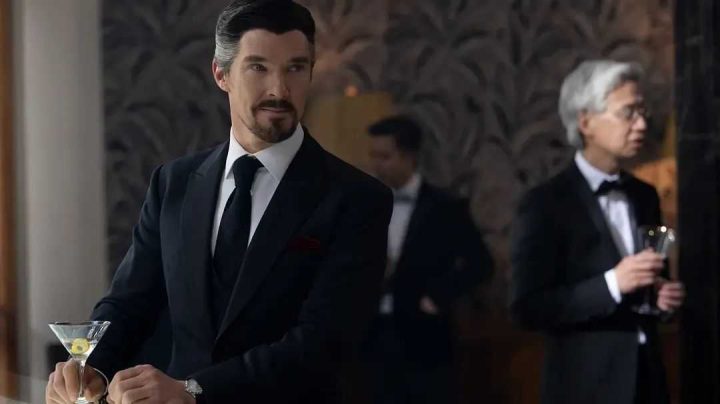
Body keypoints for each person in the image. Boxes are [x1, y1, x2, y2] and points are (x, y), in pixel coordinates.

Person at [45, 1, 392, 403]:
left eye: (295, 68)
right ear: (221, 74)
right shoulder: (173, 183)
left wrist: (193, 390)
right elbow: (128, 303)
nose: (279, 90)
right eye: (259, 67)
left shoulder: (357, 198)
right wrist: (89, 365)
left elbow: (323, 345)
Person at [510, 60, 685, 404]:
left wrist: (661, 300)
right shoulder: (545, 203)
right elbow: (526, 308)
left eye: (642, 112)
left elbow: (653, 285)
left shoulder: (645, 195)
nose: (641, 124)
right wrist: (612, 284)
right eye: (628, 113)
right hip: (586, 389)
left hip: (649, 380)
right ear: (586, 122)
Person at [363, 116, 493, 403]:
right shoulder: (364, 204)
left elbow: (481, 264)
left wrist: (438, 297)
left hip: (425, 338)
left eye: (385, 157)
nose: (376, 165)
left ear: (409, 157)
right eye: (373, 156)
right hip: (373, 336)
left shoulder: (445, 207)